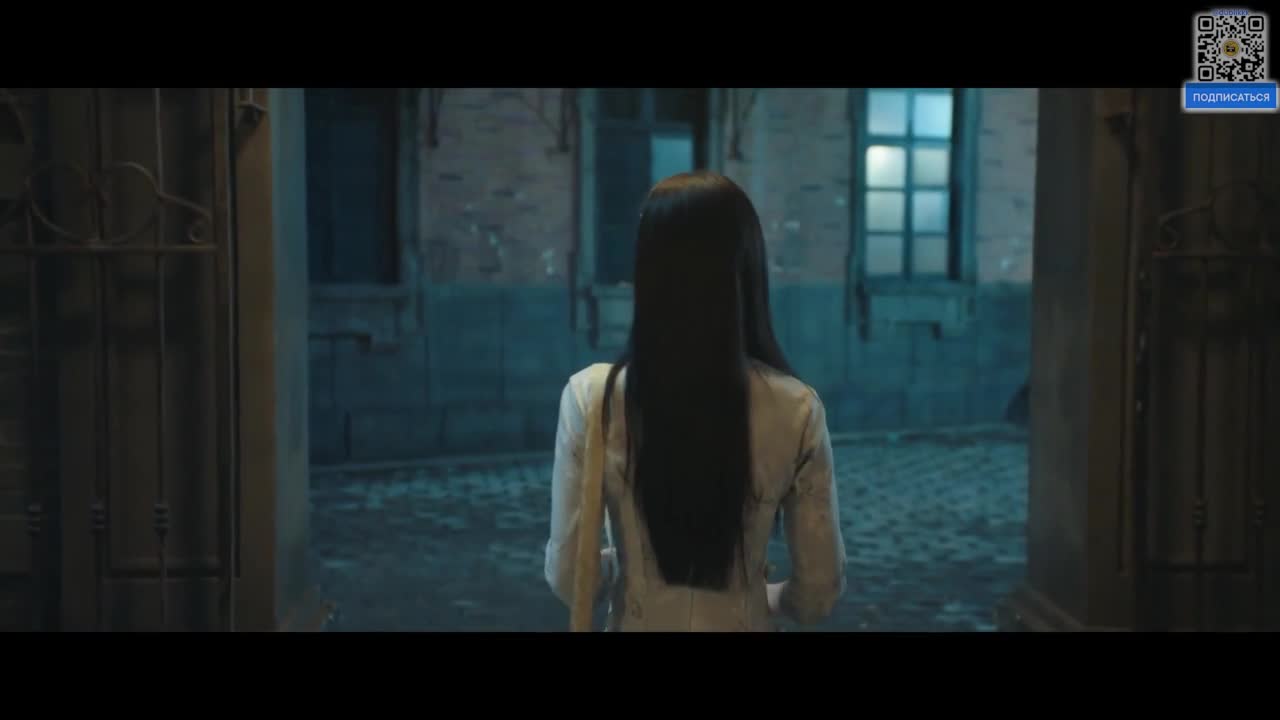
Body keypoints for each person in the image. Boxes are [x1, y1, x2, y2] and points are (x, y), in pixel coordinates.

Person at [543, 171, 846, 631]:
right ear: (747, 269)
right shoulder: (797, 408)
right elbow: (818, 591)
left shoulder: (592, 398)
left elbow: (571, 578)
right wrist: (768, 596)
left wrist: (622, 565)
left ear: (648, 271)